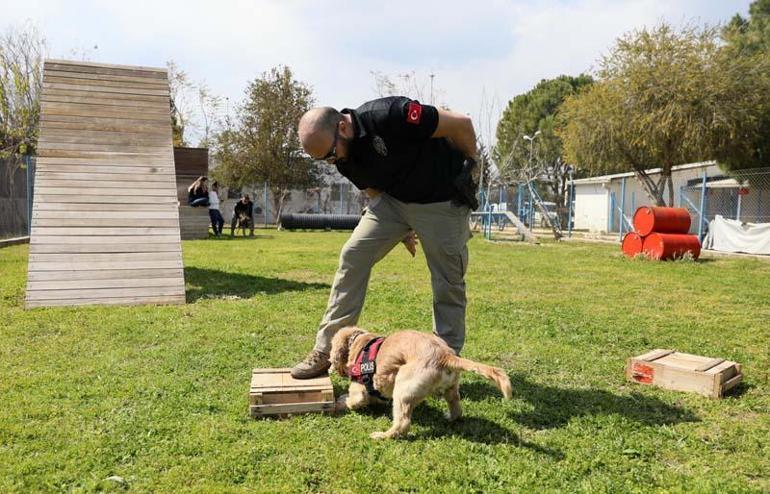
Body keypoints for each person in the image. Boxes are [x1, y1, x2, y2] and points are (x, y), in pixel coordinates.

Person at [291, 96, 479, 379]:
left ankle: (443, 362)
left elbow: (461, 124)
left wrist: (472, 166)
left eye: (330, 154)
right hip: (392, 202)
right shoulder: (341, 156)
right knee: (353, 255)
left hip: (440, 201)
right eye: (324, 160)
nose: (333, 162)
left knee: (447, 279)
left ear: (342, 126)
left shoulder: (391, 115)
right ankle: (326, 350)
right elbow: (372, 189)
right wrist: (401, 230)